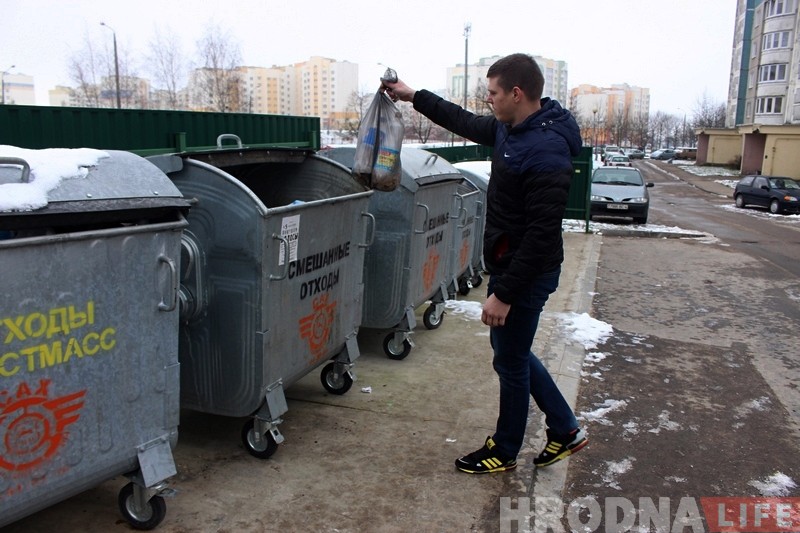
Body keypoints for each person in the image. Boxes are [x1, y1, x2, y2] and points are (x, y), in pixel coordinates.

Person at [382, 53, 588, 474]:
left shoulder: (546, 150)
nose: (488, 100)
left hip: (526, 273)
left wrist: (504, 294)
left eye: (493, 93)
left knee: (510, 361)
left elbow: (542, 233)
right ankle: (565, 428)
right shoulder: (514, 128)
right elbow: (463, 121)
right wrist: (412, 95)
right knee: (512, 353)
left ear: (516, 93)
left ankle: (506, 448)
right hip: (512, 266)